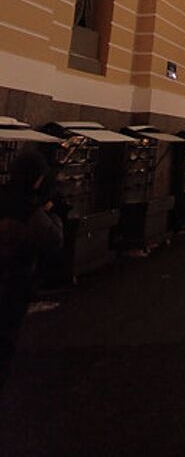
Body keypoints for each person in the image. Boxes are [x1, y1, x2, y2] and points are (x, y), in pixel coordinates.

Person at [0, 148, 64, 389]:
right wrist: (54, 215)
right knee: (5, 340)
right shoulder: (30, 211)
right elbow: (53, 240)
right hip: (13, 284)